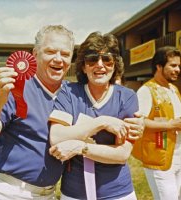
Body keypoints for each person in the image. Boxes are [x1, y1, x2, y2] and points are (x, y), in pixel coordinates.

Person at [0, 25, 75, 200]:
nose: (58, 59)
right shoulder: (15, 86)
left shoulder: (72, 94)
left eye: (65, 54)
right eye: (50, 51)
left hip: (49, 193)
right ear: (35, 54)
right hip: (8, 191)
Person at [49, 32, 144, 200]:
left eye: (107, 59)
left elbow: (122, 154)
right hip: (74, 192)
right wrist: (101, 122)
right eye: (92, 59)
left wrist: (80, 147)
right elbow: (56, 137)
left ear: (115, 64)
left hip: (117, 192)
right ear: (84, 66)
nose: (100, 65)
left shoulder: (127, 97)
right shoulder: (69, 92)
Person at [128, 46, 181, 200]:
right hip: (159, 158)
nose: (178, 69)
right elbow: (139, 122)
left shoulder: (174, 89)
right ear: (159, 66)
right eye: (173, 65)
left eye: (179, 66)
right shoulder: (146, 91)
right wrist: (171, 125)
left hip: (177, 155)